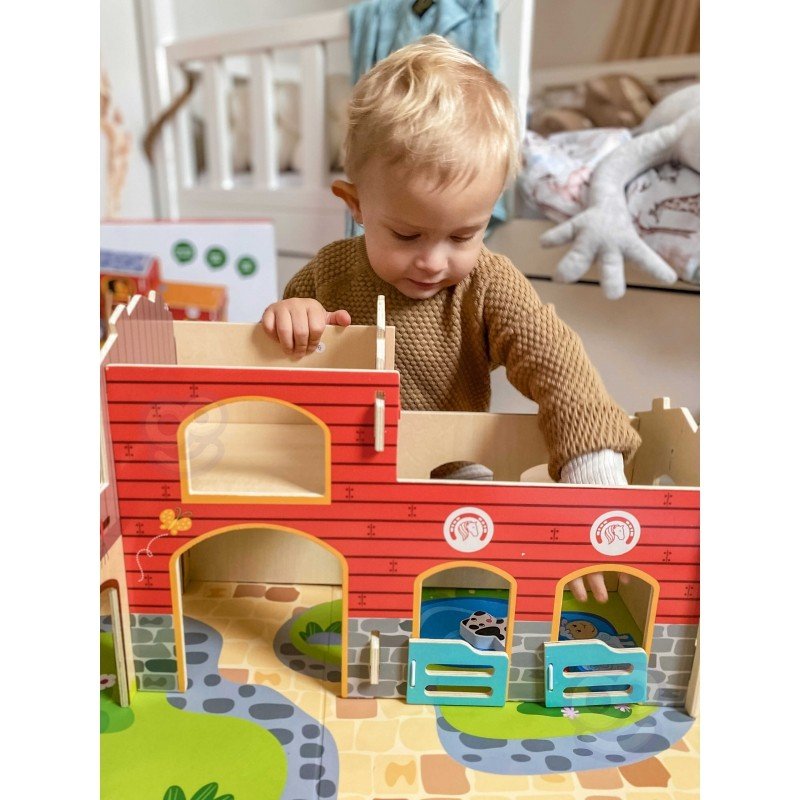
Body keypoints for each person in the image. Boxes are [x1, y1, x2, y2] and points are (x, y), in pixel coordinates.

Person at [261, 35, 641, 602]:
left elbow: (556, 360)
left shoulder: (487, 281)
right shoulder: (328, 271)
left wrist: (591, 464)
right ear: (357, 206)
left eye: (463, 234)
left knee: (469, 578)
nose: (435, 261)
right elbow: (279, 355)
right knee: (311, 566)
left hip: (449, 473)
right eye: (407, 234)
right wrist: (293, 316)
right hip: (347, 469)